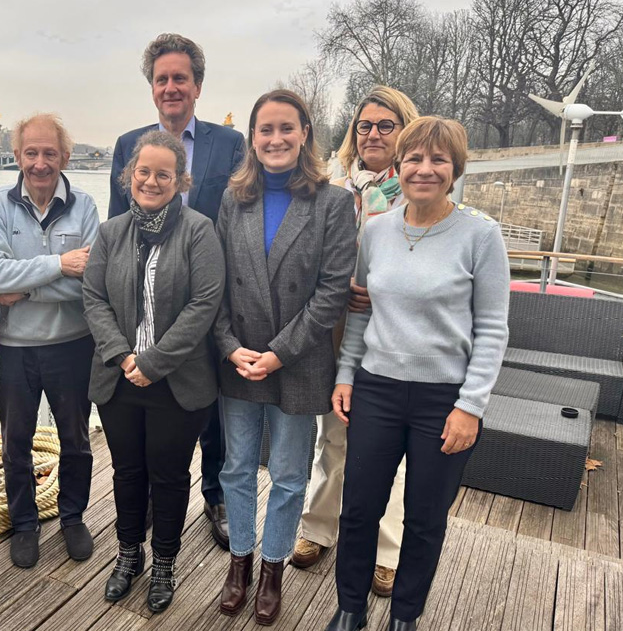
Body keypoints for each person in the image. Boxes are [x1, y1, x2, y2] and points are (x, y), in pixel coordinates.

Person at [324, 117, 509, 631]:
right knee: (359, 509)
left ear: (455, 170)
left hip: (443, 399)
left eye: (438, 160)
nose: (424, 169)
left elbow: (493, 329)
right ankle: (350, 607)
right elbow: (361, 311)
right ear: (399, 167)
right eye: (414, 159)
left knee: (424, 519)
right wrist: (346, 374)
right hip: (377, 389)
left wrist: (471, 406)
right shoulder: (377, 230)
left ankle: (405, 615)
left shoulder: (480, 235)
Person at [214, 89, 356, 626]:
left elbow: (330, 294)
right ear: (252, 139)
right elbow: (217, 285)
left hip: (297, 363)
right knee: (237, 468)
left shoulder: (334, 203)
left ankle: (272, 569)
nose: (275, 139)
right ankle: (240, 565)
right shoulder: (234, 199)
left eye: (286, 128)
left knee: (292, 473)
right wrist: (229, 346)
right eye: (265, 129)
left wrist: (277, 354)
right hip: (239, 360)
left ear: (304, 135)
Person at [108, 33, 245, 550]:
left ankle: (215, 494)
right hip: (143, 303)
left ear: (197, 86)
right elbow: (115, 228)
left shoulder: (229, 145)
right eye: (161, 79)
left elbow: (236, 221)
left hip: (203, 300)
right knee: (146, 406)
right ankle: (143, 501)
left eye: (179, 78)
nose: (170, 87)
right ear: (152, 88)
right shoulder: (129, 145)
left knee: (203, 401)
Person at [84, 130, 225, 613]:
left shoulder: (200, 230)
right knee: (126, 472)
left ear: (180, 179)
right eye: (143, 171)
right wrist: (125, 357)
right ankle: (128, 555)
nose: (151, 180)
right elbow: (94, 298)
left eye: (163, 173)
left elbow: (204, 304)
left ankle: (164, 562)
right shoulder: (110, 232)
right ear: (129, 176)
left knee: (167, 477)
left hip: (177, 384)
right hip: (118, 380)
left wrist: (153, 363)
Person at [293, 87, 420, 600]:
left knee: (393, 445)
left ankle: (386, 551)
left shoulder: (417, 189)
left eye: (385, 125)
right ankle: (319, 525)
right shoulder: (333, 189)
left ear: (404, 130)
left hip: (394, 333)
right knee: (335, 435)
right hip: (335, 328)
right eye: (364, 125)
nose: (372, 134)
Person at [0, 113, 100, 569]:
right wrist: (57, 266)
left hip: (73, 343)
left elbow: (91, 282)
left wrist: (21, 285)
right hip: (16, 348)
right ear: (17, 157)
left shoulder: (85, 207)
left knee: (76, 439)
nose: (41, 162)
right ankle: (24, 523)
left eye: (50, 153)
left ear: (64, 157)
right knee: (15, 441)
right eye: (31, 152)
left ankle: (72, 516)